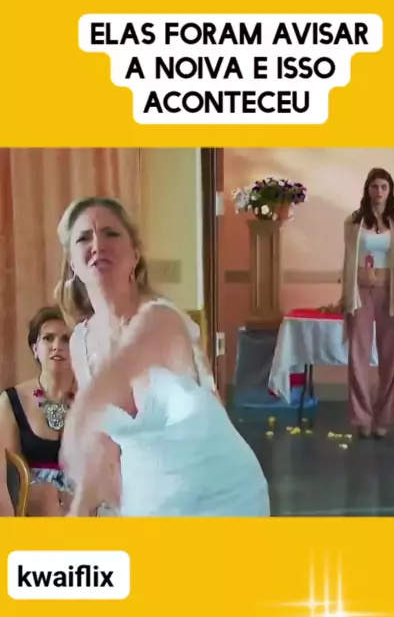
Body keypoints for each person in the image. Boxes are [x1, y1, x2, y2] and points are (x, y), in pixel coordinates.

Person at [54, 196, 270, 517]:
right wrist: (81, 507)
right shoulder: (80, 342)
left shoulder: (161, 318)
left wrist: (76, 426)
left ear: (135, 254)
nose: (97, 244)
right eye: (84, 238)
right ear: (73, 262)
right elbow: (103, 443)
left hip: (221, 495)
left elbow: (120, 371)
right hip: (152, 501)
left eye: (111, 233)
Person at [341, 168, 394, 438]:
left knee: (390, 355)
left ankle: (385, 416)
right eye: (374, 186)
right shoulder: (353, 221)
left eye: (383, 187)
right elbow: (347, 259)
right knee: (358, 355)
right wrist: (345, 294)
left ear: (390, 191)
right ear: (367, 190)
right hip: (360, 291)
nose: (378, 191)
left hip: (389, 293)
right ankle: (362, 417)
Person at [0, 306, 75, 516]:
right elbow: (9, 477)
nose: (57, 346)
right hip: (32, 511)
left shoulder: (93, 400)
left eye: (66, 339)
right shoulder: (11, 402)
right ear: (35, 349)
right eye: (48, 338)